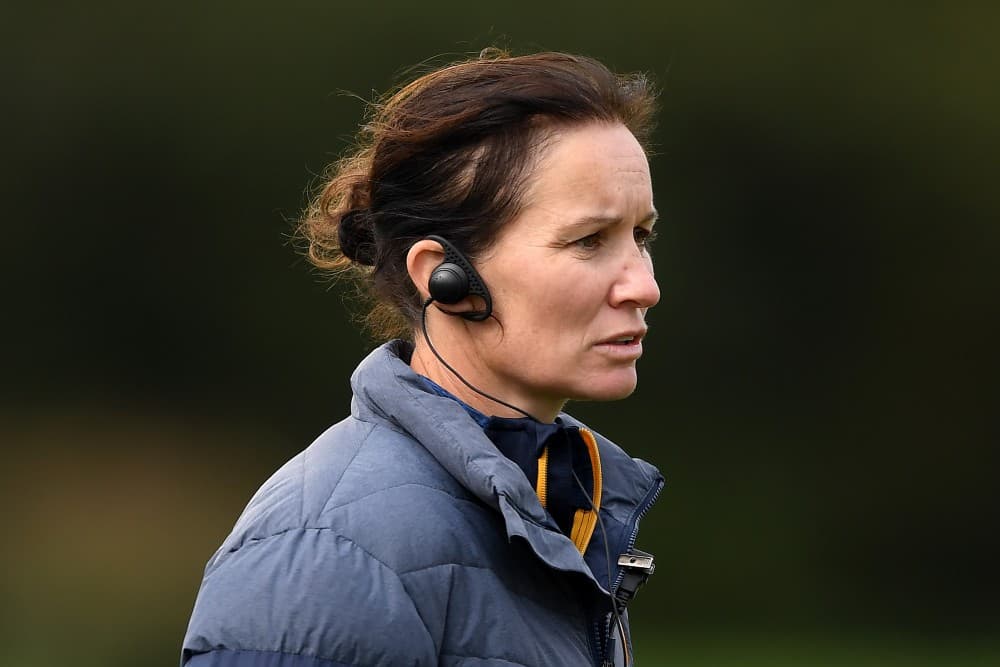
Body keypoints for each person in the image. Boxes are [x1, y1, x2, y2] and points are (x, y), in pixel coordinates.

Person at [181, 49, 665, 667]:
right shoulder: (334, 551)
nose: (643, 286)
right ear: (444, 276)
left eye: (640, 237)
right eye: (587, 240)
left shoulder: (565, 510)